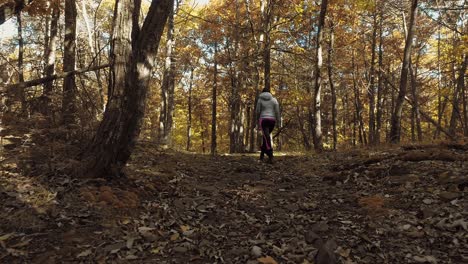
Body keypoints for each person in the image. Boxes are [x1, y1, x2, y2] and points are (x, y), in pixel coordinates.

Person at [256, 88, 281, 164]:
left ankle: (270, 155)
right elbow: (277, 112)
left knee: (266, 137)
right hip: (272, 121)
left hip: (263, 120)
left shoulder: (260, 100)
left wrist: (257, 120)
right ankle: (261, 156)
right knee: (266, 137)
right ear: (270, 93)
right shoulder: (274, 100)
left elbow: (257, 111)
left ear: (262, 93)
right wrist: (279, 122)